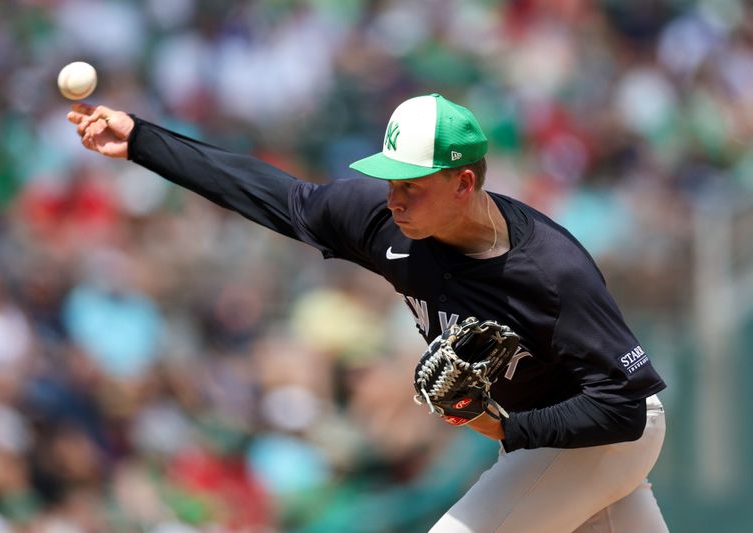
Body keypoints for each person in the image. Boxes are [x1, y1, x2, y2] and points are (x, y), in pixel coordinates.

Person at [68, 93, 668, 532]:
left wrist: (507, 429)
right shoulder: (381, 220)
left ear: (463, 183)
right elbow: (274, 196)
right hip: (561, 432)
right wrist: (144, 141)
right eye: (390, 178)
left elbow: (622, 407)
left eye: (413, 183)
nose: (395, 196)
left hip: (603, 432)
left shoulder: (551, 271)